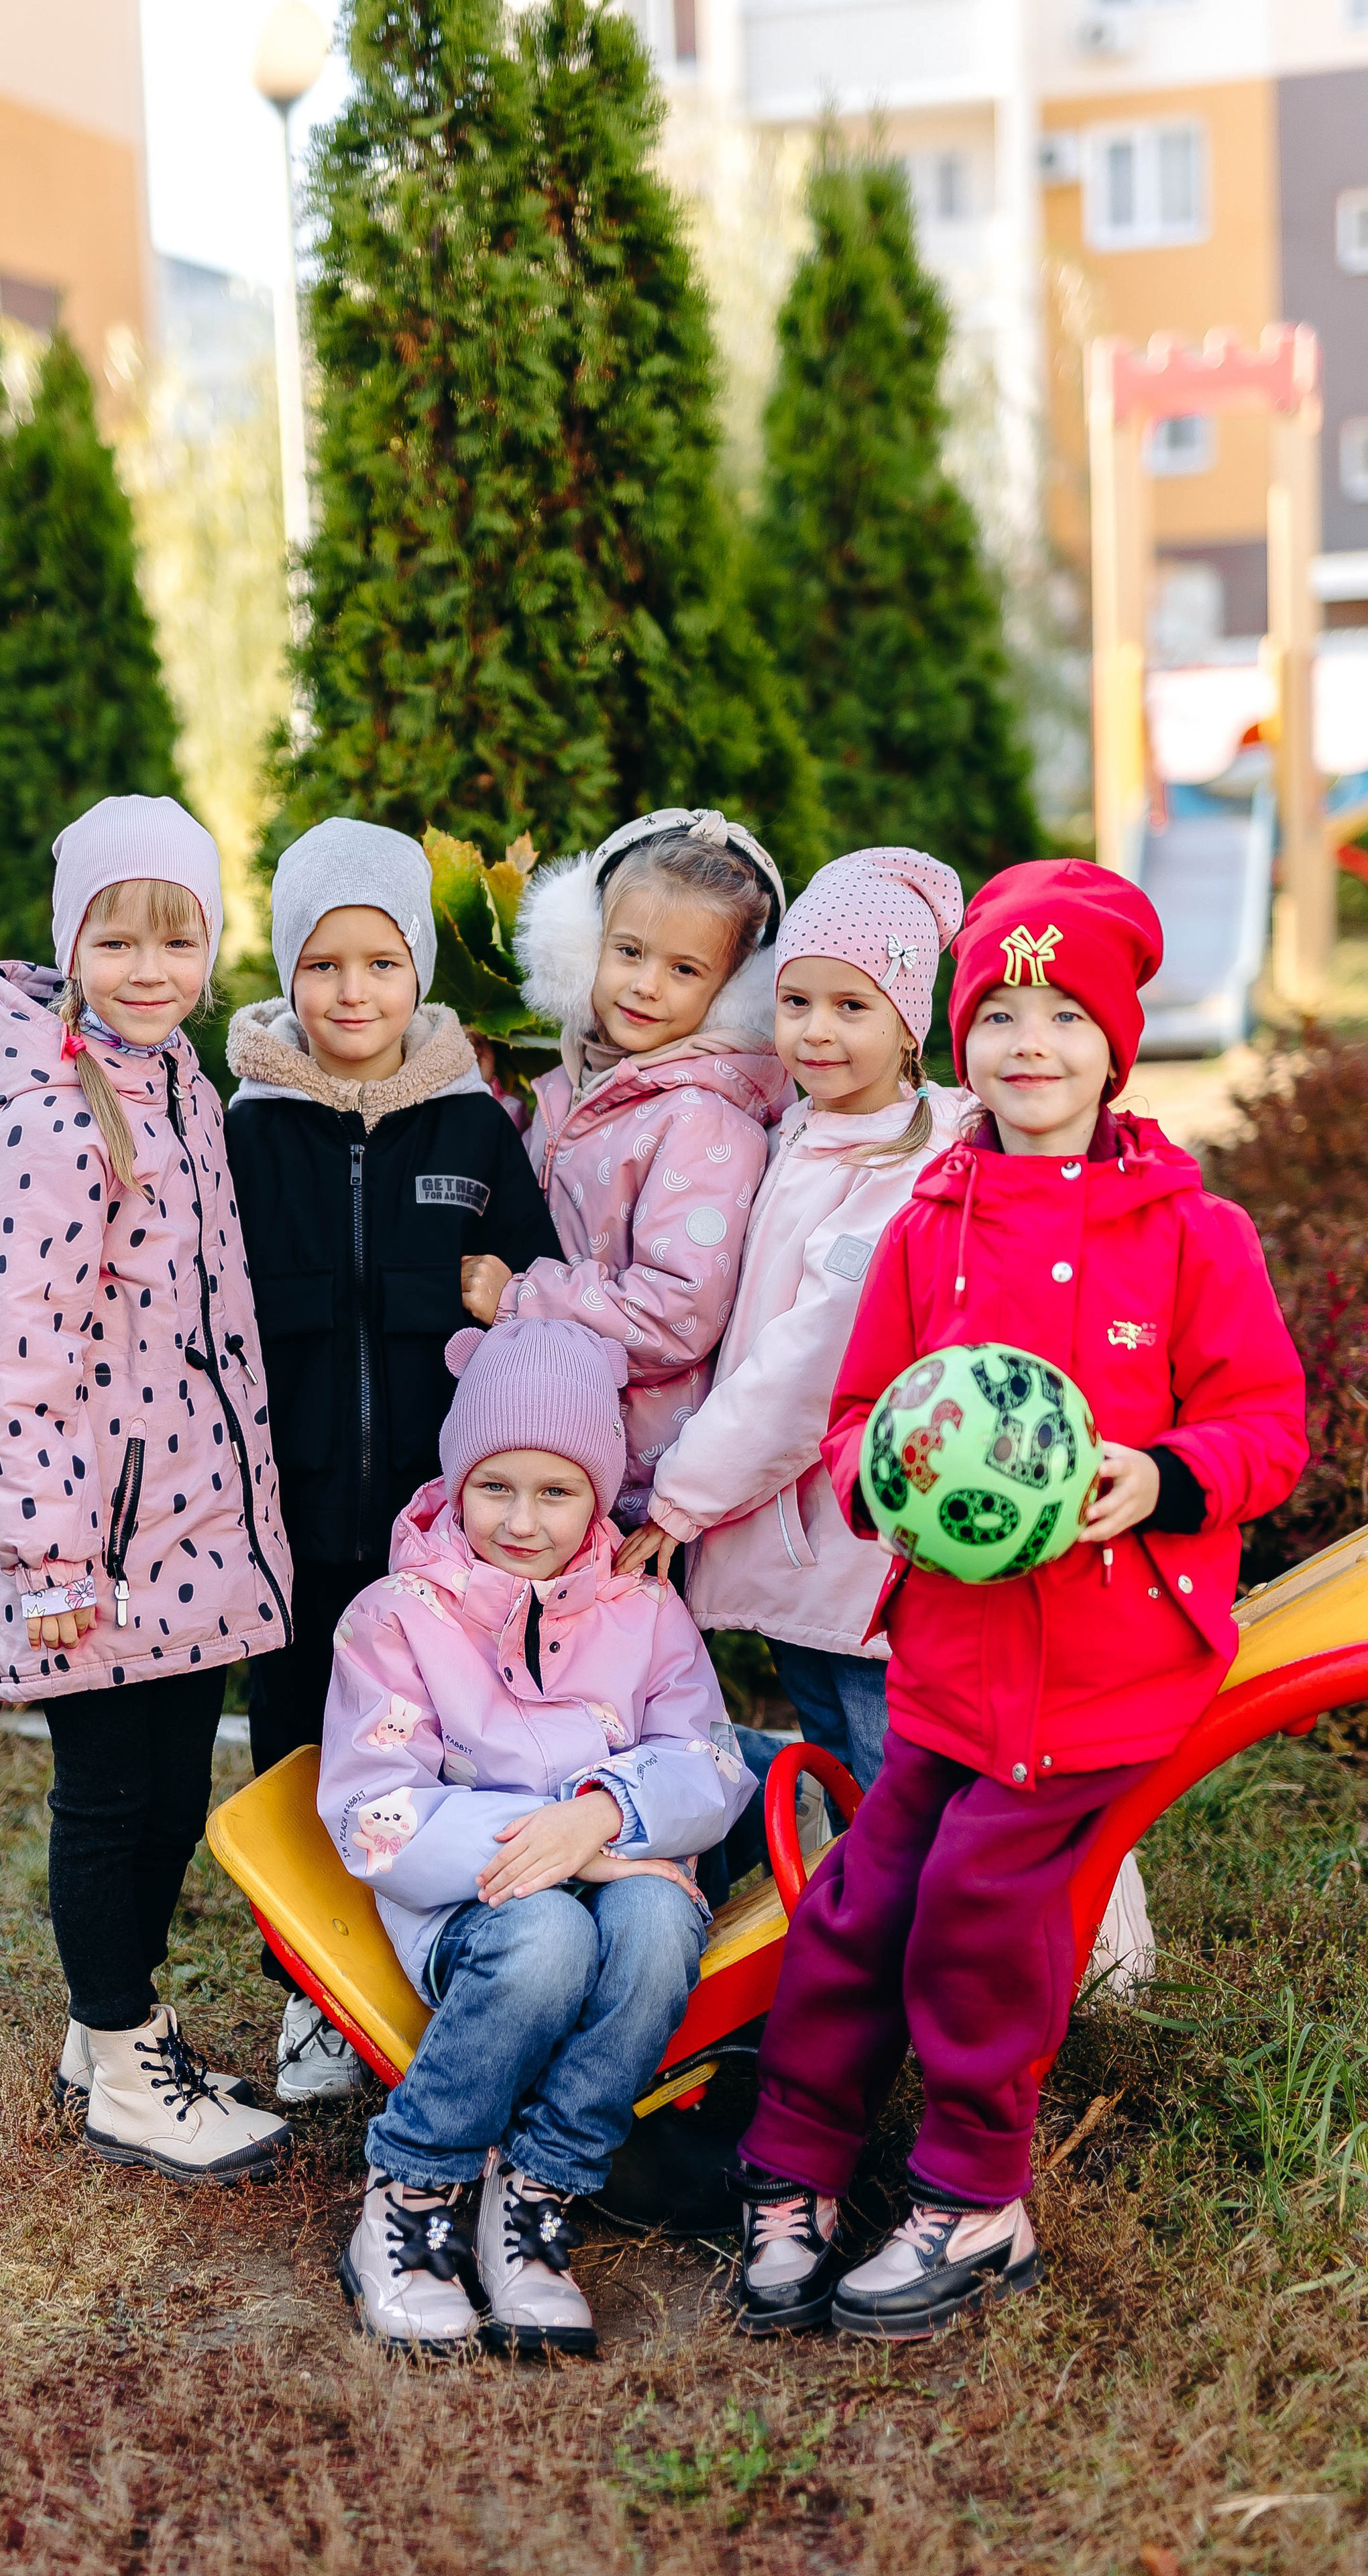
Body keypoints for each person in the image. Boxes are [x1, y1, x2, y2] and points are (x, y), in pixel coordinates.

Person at [728, 858, 1308, 2341]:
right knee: (859, 1905)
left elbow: (1263, 1433)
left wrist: (1156, 1478)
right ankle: (792, 2167)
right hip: (949, 1661)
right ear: (958, 1038)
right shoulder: (930, 1223)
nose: (1028, 1046)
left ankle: (972, 2199)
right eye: (998, 1014)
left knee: (976, 1910)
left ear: (1116, 1048)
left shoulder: (1191, 1235)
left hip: (1108, 1668)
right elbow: (854, 1414)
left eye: (1062, 1016)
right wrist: (884, 1482)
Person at [0, 794, 294, 2184]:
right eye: (119, 939)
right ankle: (127, 2056)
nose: (151, 969)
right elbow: (5, 1360)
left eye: (180, 938)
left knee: (160, 1791)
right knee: (112, 1798)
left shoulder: (175, 1082)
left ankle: (109, 2038)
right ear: (68, 941)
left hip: (184, 1540)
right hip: (99, 1549)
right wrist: (48, 1560)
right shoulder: (51, 1120)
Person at [319, 1317, 754, 2353]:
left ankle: (539, 2192)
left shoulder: (644, 1615)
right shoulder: (397, 1618)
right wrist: (546, 1844)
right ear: (457, 1484)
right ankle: (415, 2191)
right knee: (551, 1938)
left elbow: (713, 1761)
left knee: (654, 1921)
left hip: (621, 1865)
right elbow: (374, 1811)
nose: (523, 1520)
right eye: (494, 1487)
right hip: (474, 1908)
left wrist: (602, 1818)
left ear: (600, 1494)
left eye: (557, 1491)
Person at [225, 818, 561, 2102]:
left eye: (378, 962)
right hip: (295, 1523)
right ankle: (312, 1998)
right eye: (321, 967)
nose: (351, 993)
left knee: (447, 1755)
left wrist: (507, 1287)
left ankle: (439, 1976)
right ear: (285, 975)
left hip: (442, 1538)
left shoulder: (472, 1129)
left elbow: (541, 1285)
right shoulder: (247, 1133)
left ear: (418, 967)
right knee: (304, 1750)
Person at [617, 846, 968, 1817]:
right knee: (842, 1764)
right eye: (796, 1001)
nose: (816, 1032)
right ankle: (863, 1937)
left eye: (852, 1007)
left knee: (891, 1771)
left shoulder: (902, 1173)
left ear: (909, 1024)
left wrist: (682, 1499)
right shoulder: (801, 1136)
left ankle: (930, 1952)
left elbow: (811, 1365)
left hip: (855, 1542)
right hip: (795, 1539)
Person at [462, 808, 791, 1530]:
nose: (645, 985)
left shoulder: (704, 1121)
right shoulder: (573, 1084)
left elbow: (678, 1313)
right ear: (584, 950)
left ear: (733, 992)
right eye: (629, 952)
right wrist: (481, 1103)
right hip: (545, 1454)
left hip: (628, 1474)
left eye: (683, 970)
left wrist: (524, 1299)